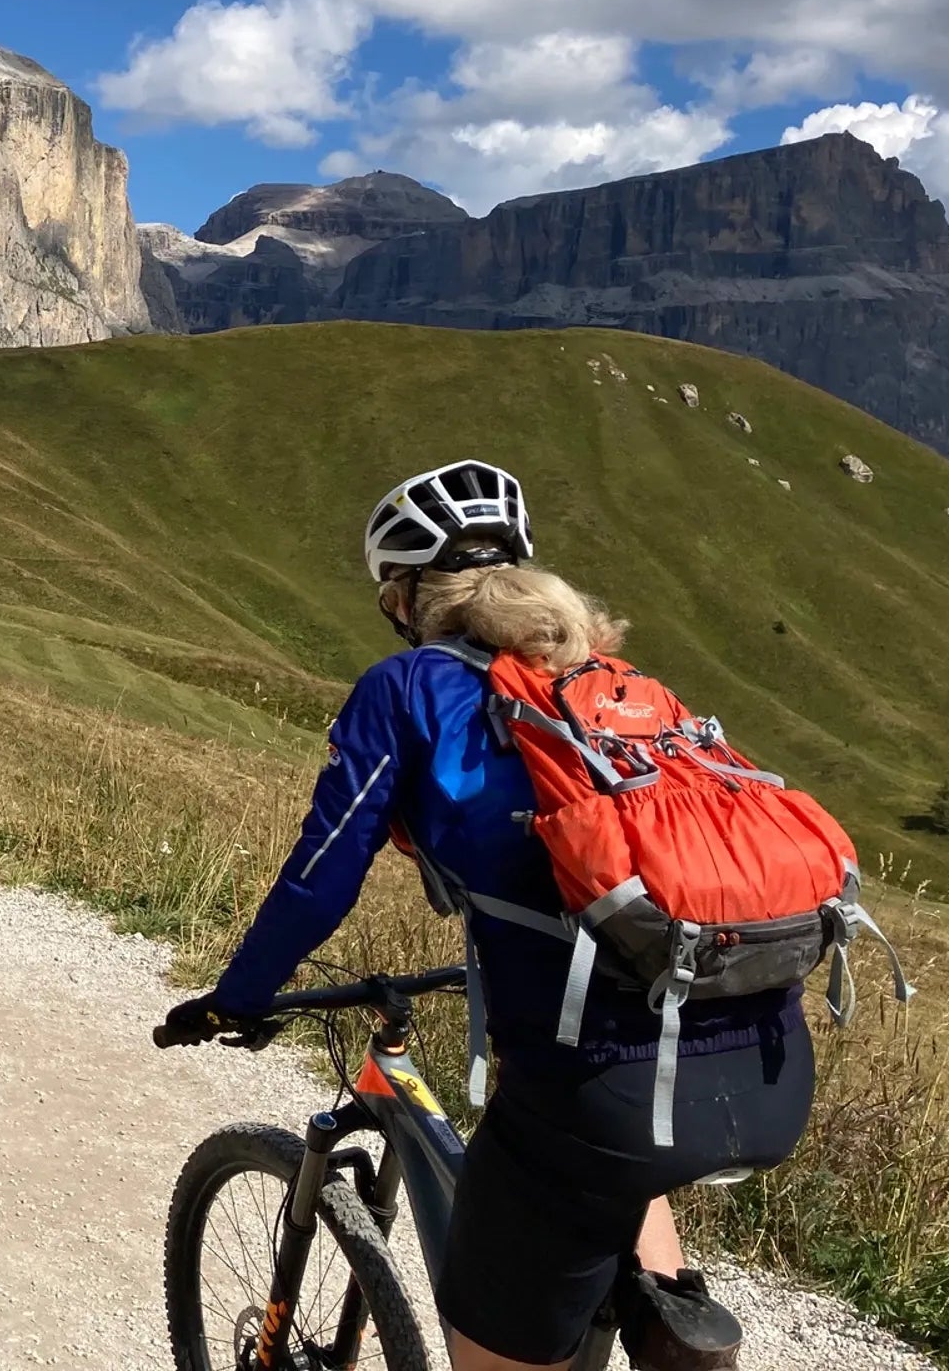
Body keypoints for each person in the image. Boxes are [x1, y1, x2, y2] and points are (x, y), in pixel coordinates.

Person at [160, 461, 806, 1371]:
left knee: (543, 1215)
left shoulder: (408, 688)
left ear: (402, 598)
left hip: (606, 1091)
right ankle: (670, 1322)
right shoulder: (617, 690)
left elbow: (320, 873)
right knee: (606, 1167)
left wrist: (238, 996)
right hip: (763, 1059)